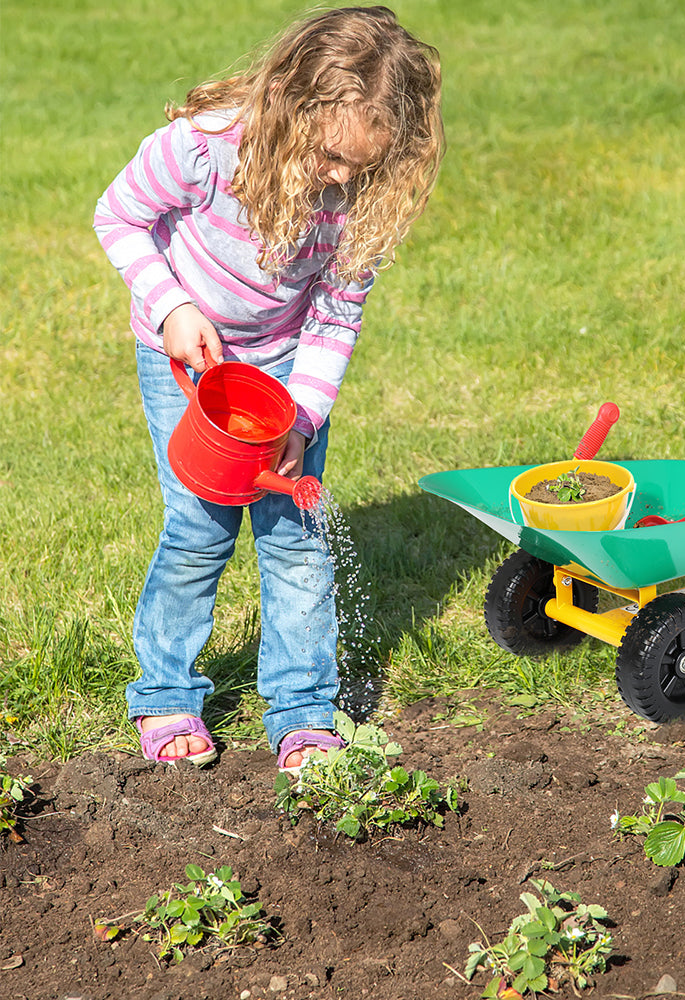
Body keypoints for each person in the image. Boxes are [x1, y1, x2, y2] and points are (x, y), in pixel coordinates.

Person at [93, 6, 443, 771]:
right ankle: (165, 694)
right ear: (290, 104)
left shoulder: (353, 198)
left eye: (364, 167)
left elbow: (336, 315)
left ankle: (301, 708)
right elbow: (117, 216)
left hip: (282, 370)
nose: (343, 179)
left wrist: (304, 421)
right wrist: (172, 305)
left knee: (296, 538)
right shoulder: (205, 148)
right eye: (331, 158)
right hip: (189, 361)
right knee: (198, 531)